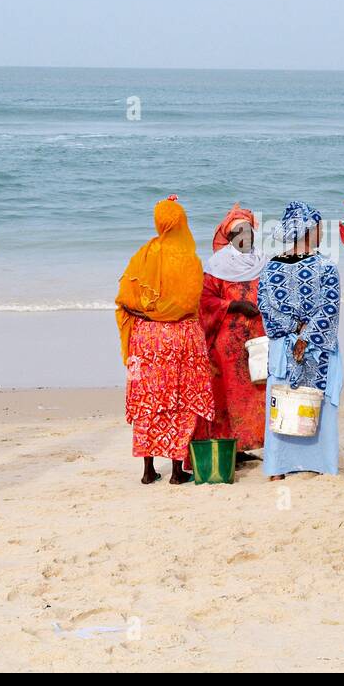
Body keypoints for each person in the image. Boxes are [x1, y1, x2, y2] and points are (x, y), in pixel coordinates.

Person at [116, 195, 213, 484]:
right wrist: (168, 313)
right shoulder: (191, 260)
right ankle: (175, 471)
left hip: (147, 338)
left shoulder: (145, 254)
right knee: (180, 400)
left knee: (150, 399)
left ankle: (147, 470)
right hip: (183, 336)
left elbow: (125, 296)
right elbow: (190, 301)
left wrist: (147, 313)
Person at [258, 201, 343, 480]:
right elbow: (329, 308)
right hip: (318, 347)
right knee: (319, 401)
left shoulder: (270, 268)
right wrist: (306, 336)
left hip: (282, 347)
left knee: (282, 401)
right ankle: (321, 463)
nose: (321, 233)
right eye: (318, 227)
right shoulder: (327, 267)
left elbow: (266, 308)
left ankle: (278, 468)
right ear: (307, 229)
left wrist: (293, 329)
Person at [196, 204, 268, 464]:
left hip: (257, 339)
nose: (245, 236)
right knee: (227, 394)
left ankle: (245, 445)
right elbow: (205, 302)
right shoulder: (217, 265)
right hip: (227, 342)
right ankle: (229, 448)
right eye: (238, 231)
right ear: (228, 237)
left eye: (248, 230)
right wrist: (234, 305)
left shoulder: (262, 259)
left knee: (254, 390)